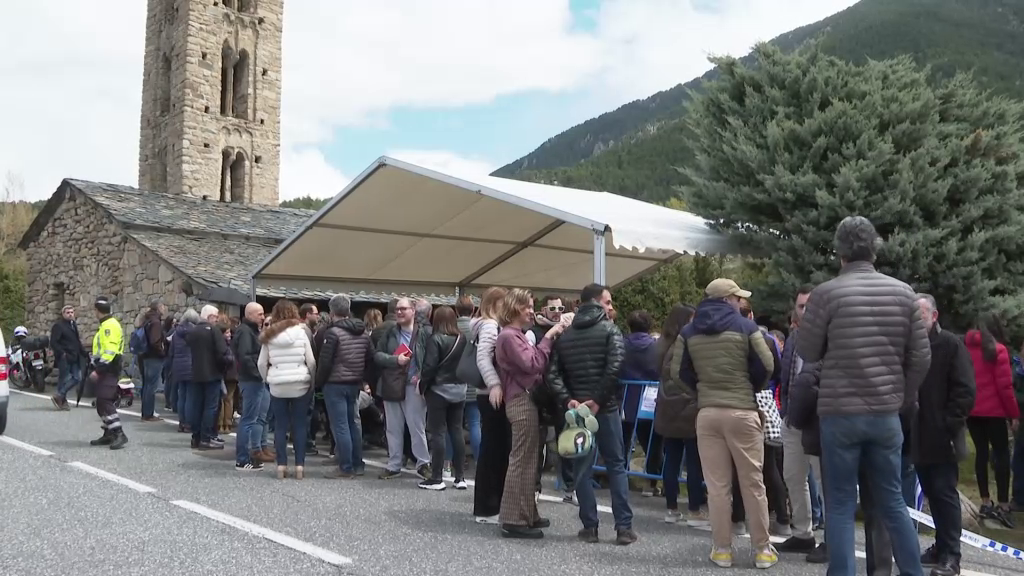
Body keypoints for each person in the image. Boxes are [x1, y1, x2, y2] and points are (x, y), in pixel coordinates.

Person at [797, 215, 930, 576]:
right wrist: (903, 396)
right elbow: (921, 357)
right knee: (892, 501)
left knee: (840, 505)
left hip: (839, 412)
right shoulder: (904, 293)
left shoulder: (826, 293)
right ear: (875, 249)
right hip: (886, 413)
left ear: (840, 253)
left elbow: (807, 351)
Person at [679, 278, 776, 568]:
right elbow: (767, 364)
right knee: (752, 483)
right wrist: (751, 386)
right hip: (742, 411)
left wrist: (701, 392)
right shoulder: (746, 327)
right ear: (727, 300)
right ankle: (762, 551)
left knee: (717, 486)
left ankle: (722, 550)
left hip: (708, 414)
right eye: (737, 298)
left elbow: (678, 372)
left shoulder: (688, 331)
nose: (740, 302)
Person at [547, 283, 636, 545]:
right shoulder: (610, 330)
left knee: (581, 468)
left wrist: (568, 400)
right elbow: (616, 366)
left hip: (576, 412)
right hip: (604, 409)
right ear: (597, 303)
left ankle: (590, 526)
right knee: (616, 465)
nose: (611, 307)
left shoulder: (565, 336)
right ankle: (623, 528)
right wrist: (597, 400)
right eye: (608, 302)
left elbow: (552, 374)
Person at [911, 294, 976, 576]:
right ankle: (940, 546)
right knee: (932, 494)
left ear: (934, 316)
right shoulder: (910, 345)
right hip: (917, 435)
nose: (915, 320)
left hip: (942, 436)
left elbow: (965, 390)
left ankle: (951, 555)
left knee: (944, 494)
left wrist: (949, 424)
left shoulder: (949, 344)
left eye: (920, 315)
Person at [964, 312, 1020, 528]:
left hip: (972, 410)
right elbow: (1005, 387)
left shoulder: (966, 348)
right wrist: (1013, 414)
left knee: (981, 453)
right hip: (995, 412)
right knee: (1002, 454)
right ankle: (1004, 504)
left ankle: (985, 500)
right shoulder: (998, 350)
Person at [777, 285, 821, 555]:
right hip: (792, 418)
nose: (805, 311)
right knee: (793, 476)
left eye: (809, 306)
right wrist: (785, 411)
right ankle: (802, 533)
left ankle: (832, 540)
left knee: (825, 481)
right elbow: (786, 376)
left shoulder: (830, 338)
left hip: (819, 421)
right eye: (801, 306)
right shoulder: (793, 337)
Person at [653, 304, 706, 526]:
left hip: (667, 407)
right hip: (689, 407)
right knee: (694, 462)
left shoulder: (661, 345)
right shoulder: (689, 346)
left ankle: (671, 507)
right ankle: (694, 509)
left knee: (671, 461)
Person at [374, 297, 432, 480]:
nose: (399, 312)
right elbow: (376, 355)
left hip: (413, 387)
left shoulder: (424, 333)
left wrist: (422, 375)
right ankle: (394, 464)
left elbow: (431, 358)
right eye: (398, 309)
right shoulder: (390, 332)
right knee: (393, 427)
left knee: (417, 426)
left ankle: (423, 463)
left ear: (413, 311)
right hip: (392, 384)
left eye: (403, 309)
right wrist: (394, 360)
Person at [317, 294, 374, 479]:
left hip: (335, 383)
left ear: (332, 311)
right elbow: (370, 358)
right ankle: (358, 464)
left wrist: (318, 383)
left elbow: (325, 363)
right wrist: (362, 378)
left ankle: (345, 466)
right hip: (354, 383)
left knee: (340, 425)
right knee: (353, 424)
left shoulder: (332, 333)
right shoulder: (363, 332)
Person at [258, 300, 316, 480]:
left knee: (280, 426)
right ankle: (299, 465)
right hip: (300, 382)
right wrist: (311, 379)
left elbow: (261, 362)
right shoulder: (301, 332)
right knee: (299, 425)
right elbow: (311, 361)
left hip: (278, 384)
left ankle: (281, 465)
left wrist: (267, 378)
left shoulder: (269, 335)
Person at [419, 305, 470, 491]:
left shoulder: (435, 338)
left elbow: (430, 367)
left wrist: (422, 386)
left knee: (438, 432)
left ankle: (437, 477)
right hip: (460, 389)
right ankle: (460, 477)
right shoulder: (462, 338)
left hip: (439, 390)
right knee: (456, 432)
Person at [471, 286, 511, 524]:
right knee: (493, 452)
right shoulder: (489, 325)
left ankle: (489, 506)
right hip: (491, 394)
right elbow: (483, 357)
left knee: (493, 450)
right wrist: (495, 384)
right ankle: (487, 508)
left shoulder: (487, 324)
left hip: (488, 393)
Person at [186, 305, 230, 451]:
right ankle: (206, 437)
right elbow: (222, 352)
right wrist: (227, 363)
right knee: (210, 407)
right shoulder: (213, 331)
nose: (217, 320)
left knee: (197, 406)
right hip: (212, 373)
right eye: (216, 317)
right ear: (210, 316)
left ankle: (196, 437)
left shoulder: (192, 331)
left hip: (196, 373)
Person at [88, 296, 128, 450]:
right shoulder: (107, 324)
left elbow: (110, 351)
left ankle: (119, 433)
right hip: (106, 367)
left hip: (108, 368)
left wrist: (99, 370)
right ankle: (109, 432)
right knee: (100, 402)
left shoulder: (109, 326)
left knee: (105, 400)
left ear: (97, 311)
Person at [50, 305, 88, 410]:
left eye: (72, 312)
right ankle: (62, 401)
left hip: (75, 356)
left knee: (77, 378)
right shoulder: (58, 326)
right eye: (68, 312)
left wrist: (84, 353)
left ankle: (59, 395)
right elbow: (53, 342)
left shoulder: (73, 325)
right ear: (63, 314)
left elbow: (76, 341)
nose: (70, 314)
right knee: (64, 379)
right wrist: (62, 353)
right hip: (65, 357)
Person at [168, 308, 199, 434]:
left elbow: (171, 351)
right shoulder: (195, 332)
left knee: (182, 395)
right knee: (191, 397)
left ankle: (182, 422)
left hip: (178, 367)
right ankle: (188, 423)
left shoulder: (176, 333)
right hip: (191, 366)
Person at [138, 299, 168, 422]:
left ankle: (145, 412)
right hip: (153, 357)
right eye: (163, 306)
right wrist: (163, 352)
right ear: (158, 307)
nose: (165, 309)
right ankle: (148, 414)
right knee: (151, 386)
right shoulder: (155, 322)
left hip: (144, 356)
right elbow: (155, 341)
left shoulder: (147, 320)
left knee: (146, 385)